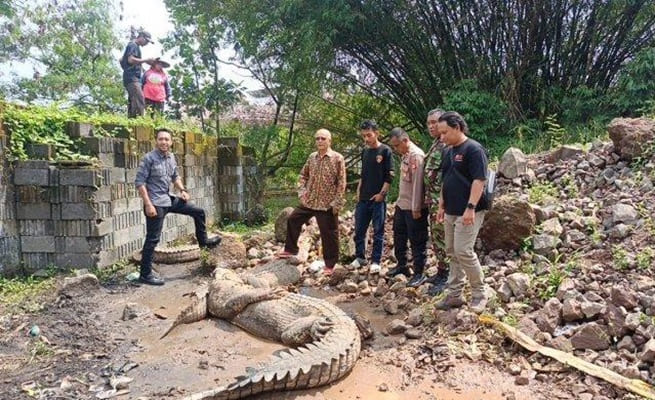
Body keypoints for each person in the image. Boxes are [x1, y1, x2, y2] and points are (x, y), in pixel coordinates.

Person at [135, 128, 221, 285]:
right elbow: (140, 183)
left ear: (171, 142)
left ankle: (204, 242)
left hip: (168, 199)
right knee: (153, 239)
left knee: (198, 212)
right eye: (161, 139)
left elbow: (175, 176)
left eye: (167, 139)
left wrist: (182, 190)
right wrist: (148, 204)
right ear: (156, 141)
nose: (164, 142)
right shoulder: (149, 158)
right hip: (155, 203)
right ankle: (145, 275)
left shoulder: (171, 157)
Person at [434, 111, 489, 313]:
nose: (442, 137)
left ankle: (479, 293)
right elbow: (445, 180)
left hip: (469, 210)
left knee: (464, 250)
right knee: (452, 251)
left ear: (457, 128)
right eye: (440, 133)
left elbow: (479, 180)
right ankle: (455, 295)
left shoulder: (474, 149)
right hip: (451, 210)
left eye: (445, 132)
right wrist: (441, 205)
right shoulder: (447, 151)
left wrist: (471, 207)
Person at [278, 129, 347, 276]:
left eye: (323, 138)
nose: (320, 141)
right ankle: (290, 249)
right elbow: (303, 175)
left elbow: (341, 182)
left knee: (329, 234)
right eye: (317, 139)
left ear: (329, 141)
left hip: (326, 203)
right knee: (293, 219)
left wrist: (337, 202)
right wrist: (302, 193)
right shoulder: (312, 157)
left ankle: (330, 264)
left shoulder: (337, 158)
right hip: (309, 201)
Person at [386, 127, 429, 288]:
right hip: (402, 204)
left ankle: (419, 272)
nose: (396, 149)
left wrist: (417, 207)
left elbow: (419, 184)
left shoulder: (416, 156)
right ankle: (402, 266)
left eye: (397, 145)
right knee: (399, 236)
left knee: (417, 240)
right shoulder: (405, 155)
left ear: (405, 140)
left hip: (413, 207)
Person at [350, 120, 393, 274]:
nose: (366, 139)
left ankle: (376, 261)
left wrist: (382, 194)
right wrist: (358, 190)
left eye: (369, 135)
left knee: (378, 230)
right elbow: (363, 174)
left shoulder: (386, 151)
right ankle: (360, 257)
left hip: (378, 198)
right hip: (363, 197)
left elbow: (389, 177)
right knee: (360, 229)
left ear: (377, 133)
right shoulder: (365, 151)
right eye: (364, 136)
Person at [423, 109, 450, 296]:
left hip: (442, 201)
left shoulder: (447, 146)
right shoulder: (436, 144)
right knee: (437, 237)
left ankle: (448, 276)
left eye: (435, 122)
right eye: (429, 123)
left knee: (444, 237)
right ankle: (441, 271)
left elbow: (447, 176)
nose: (431, 126)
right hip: (432, 200)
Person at [120, 30, 154, 118]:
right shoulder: (133, 45)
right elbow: (130, 60)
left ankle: (131, 123)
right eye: (146, 41)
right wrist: (146, 60)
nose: (146, 43)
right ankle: (138, 123)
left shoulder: (135, 46)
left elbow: (121, 60)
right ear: (141, 37)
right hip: (132, 78)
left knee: (133, 102)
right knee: (139, 101)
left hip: (132, 77)